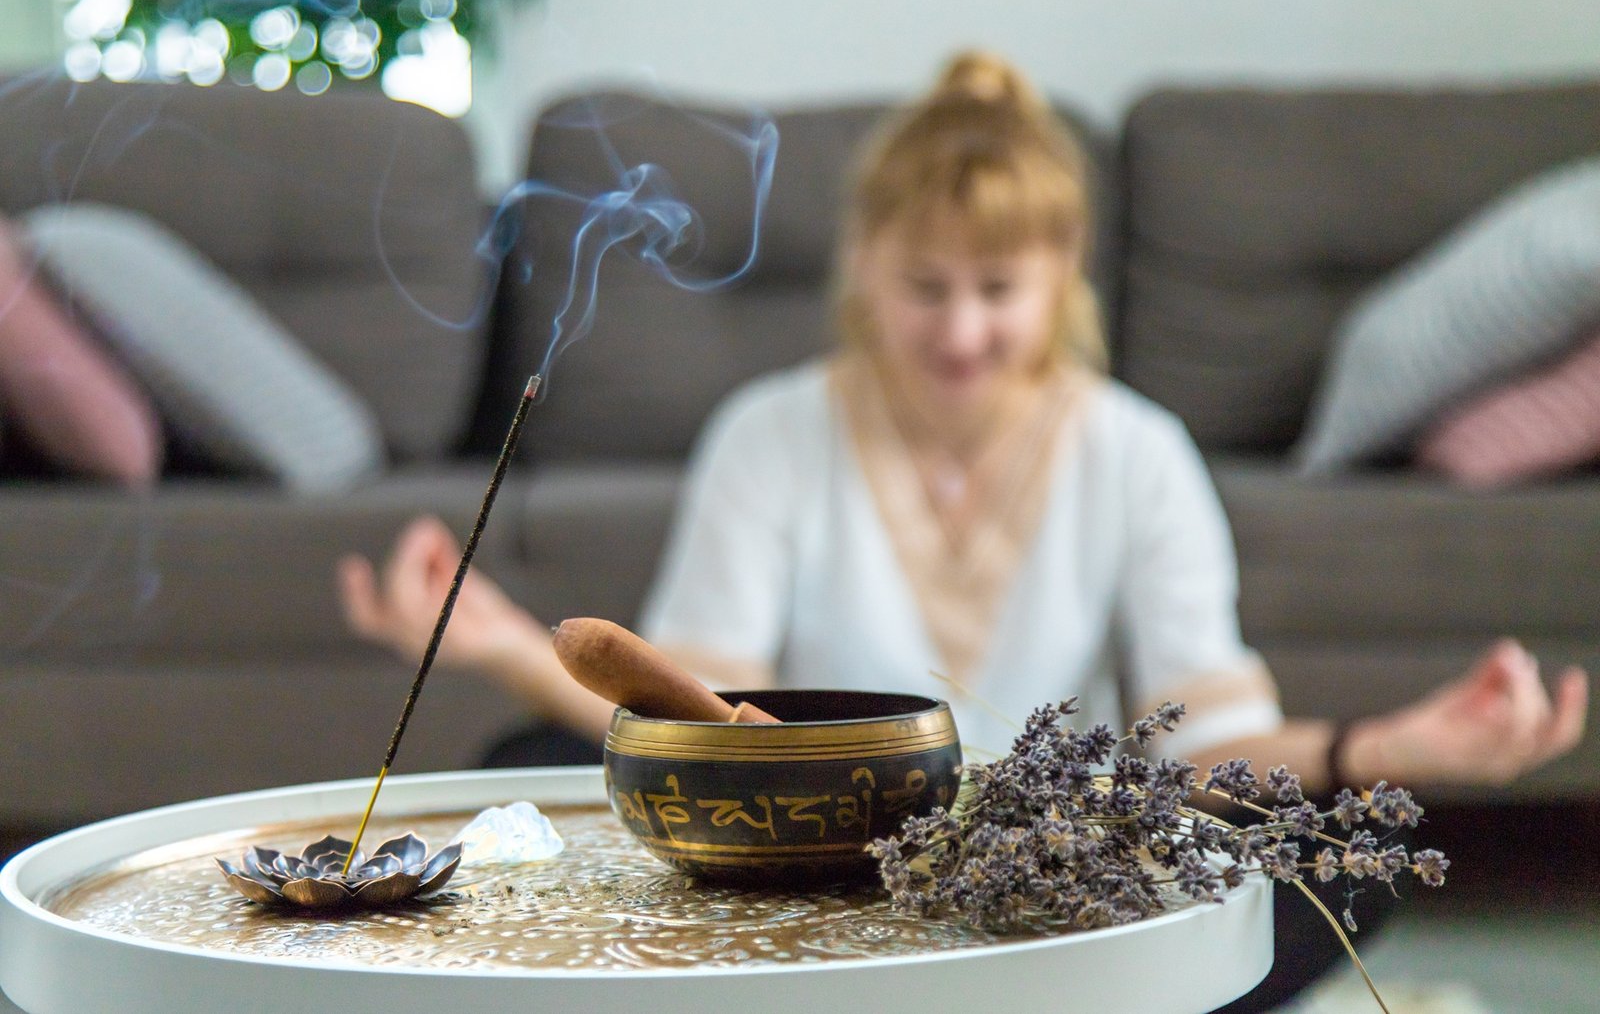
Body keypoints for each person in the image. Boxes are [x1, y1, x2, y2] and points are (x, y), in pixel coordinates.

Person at [339, 51, 1588, 1009]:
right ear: (863, 269)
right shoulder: (769, 434)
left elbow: (1210, 747)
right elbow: (706, 723)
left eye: (998, 290)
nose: (961, 330)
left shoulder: (1137, 451)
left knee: (1339, 862)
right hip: (815, 886)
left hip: (1052, 892)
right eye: (925, 286)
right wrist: (510, 647)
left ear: (1063, 276)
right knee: (523, 759)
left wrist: (1391, 746)